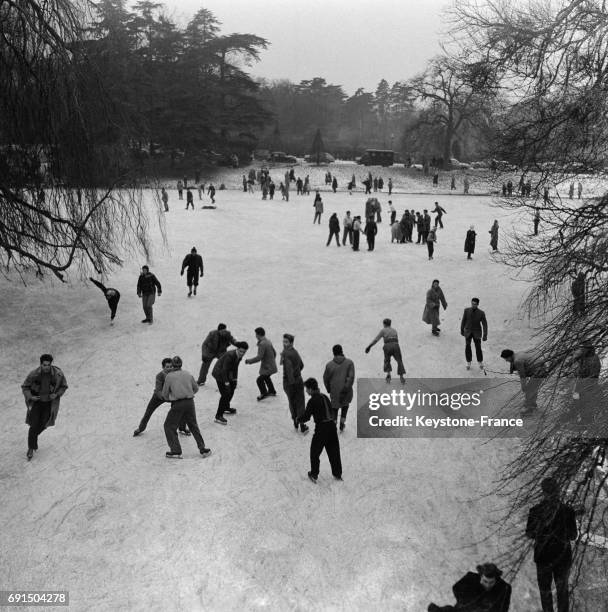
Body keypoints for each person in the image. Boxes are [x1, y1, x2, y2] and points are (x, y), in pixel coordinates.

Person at [526, 477, 577, 612]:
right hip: (562, 557)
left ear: (543, 492)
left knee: (545, 592)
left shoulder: (535, 511)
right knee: (562, 591)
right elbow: (573, 535)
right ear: (558, 491)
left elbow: (530, 533)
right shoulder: (568, 511)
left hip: (543, 558)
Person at [161, 356, 211, 458]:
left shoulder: (169, 377)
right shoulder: (187, 374)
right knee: (193, 425)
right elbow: (196, 388)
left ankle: (176, 450)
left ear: (173, 365)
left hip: (178, 404)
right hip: (190, 403)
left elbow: (164, 394)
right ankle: (203, 449)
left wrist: (172, 397)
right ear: (181, 364)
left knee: (169, 426)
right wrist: (188, 393)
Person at [22, 354, 68, 460]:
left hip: (49, 404)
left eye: (48, 365)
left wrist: (56, 394)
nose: (46, 367)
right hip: (36, 403)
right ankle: (31, 447)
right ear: (41, 364)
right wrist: (31, 397)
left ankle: (32, 438)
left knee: (44, 423)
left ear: (51, 364)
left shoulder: (58, 374)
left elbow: (64, 386)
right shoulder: (34, 374)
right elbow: (25, 387)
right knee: (34, 424)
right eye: (44, 365)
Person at [299, 378, 343, 483]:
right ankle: (337, 474)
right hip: (332, 427)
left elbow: (306, 417)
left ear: (310, 389)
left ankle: (314, 474)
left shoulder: (312, 400)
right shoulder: (324, 397)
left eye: (306, 389)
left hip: (321, 429)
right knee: (334, 452)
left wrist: (298, 419)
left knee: (314, 452)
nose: (306, 391)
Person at [133, 358, 189, 437]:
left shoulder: (176, 373)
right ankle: (141, 428)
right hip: (158, 397)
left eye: (171, 366)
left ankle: (182, 427)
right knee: (148, 412)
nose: (169, 369)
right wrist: (165, 397)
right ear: (163, 368)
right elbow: (158, 390)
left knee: (181, 408)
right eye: (167, 367)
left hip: (172, 396)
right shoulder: (159, 376)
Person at [427, 562, 511, 612]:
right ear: (480, 576)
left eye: (491, 582)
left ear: (496, 579)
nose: (488, 585)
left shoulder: (504, 588)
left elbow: (503, 609)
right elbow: (456, 588)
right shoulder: (471, 578)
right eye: (485, 581)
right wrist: (466, 600)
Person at [500, 348, 548, 414]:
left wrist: (523, 387)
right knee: (533, 389)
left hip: (539, 372)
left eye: (506, 359)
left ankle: (527, 408)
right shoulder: (519, 354)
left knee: (529, 390)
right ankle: (533, 405)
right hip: (542, 369)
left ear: (509, 356)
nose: (506, 361)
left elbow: (522, 376)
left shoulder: (517, 361)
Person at [212, 342, 249, 425]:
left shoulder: (238, 357)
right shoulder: (230, 355)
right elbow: (224, 370)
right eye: (240, 351)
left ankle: (225, 407)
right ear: (237, 349)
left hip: (228, 373)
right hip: (219, 374)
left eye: (244, 352)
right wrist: (226, 382)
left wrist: (235, 379)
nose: (242, 353)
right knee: (225, 394)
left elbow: (235, 368)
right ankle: (218, 416)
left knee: (232, 390)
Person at [281, 334, 309, 434]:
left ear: (291, 343)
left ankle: (295, 422)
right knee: (300, 402)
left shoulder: (286, 354)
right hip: (297, 381)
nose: (284, 344)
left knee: (292, 402)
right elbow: (301, 365)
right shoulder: (294, 352)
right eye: (283, 341)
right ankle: (302, 424)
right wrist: (297, 373)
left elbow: (288, 371)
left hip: (289, 382)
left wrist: (291, 381)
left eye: (286, 342)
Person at [323, 344, 355, 432]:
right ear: (342, 351)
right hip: (346, 392)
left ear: (333, 353)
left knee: (334, 410)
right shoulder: (349, 363)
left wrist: (329, 389)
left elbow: (325, 379)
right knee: (345, 408)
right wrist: (346, 389)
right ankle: (342, 424)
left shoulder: (329, 365)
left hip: (335, 392)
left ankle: (334, 425)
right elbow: (350, 378)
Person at [365, 318, 406, 383]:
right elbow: (396, 339)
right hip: (396, 345)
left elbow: (376, 340)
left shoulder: (383, 330)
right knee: (399, 361)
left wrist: (369, 346)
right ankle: (401, 376)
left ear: (384, 324)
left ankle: (388, 374)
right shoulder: (394, 330)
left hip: (387, 346)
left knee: (387, 360)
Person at [245, 327, 278, 401]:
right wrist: (271, 360)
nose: (255, 336)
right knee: (266, 377)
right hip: (271, 365)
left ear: (258, 334)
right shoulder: (268, 341)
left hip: (267, 366)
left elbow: (259, 357)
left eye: (256, 334)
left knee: (259, 380)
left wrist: (249, 361)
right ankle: (272, 391)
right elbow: (274, 353)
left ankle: (264, 393)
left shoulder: (262, 344)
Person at [461, 298, 488, 370]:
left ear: (478, 304)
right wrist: (462, 330)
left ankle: (480, 361)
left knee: (478, 347)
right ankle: (468, 362)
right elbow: (463, 320)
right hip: (468, 331)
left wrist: (485, 335)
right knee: (467, 346)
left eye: (475, 304)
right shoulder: (466, 310)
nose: (473, 305)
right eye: (472, 304)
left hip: (477, 332)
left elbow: (484, 324)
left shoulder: (481, 313)